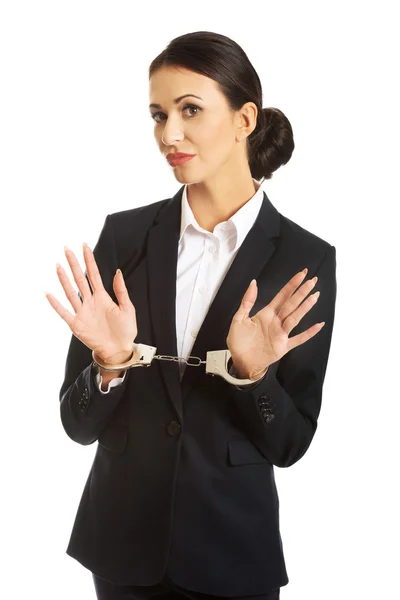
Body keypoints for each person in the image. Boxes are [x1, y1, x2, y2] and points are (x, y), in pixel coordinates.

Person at [46, 31, 337, 600]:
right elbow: (76, 426)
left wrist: (253, 376)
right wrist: (109, 363)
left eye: (190, 111)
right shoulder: (124, 237)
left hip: (233, 552)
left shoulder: (305, 258)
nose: (168, 135)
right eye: (158, 115)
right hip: (121, 547)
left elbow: (290, 444)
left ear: (244, 119)